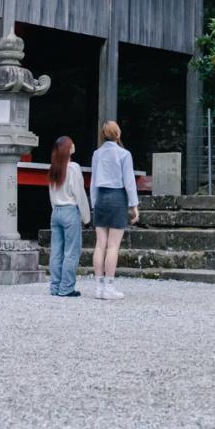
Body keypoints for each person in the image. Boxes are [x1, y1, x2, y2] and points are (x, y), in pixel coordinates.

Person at [88, 120, 139, 300]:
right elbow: (129, 182)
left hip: (101, 197)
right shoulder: (124, 154)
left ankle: (98, 286)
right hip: (117, 197)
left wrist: (93, 204)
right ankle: (109, 286)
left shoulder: (97, 154)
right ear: (118, 133)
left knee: (100, 243)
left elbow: (93, 181)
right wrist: (134, 205)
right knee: (113, 245)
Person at [45, 135, 90, 298]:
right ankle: (66, 288)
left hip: (56, 211)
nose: (73, 145)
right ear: (67, 149)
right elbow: (79, 193)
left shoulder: (54, 168)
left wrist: (55, 210)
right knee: (71, 251)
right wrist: (86, 217)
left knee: (56, 251)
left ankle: (55, 286)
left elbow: (51, 193)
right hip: (70, 211)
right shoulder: (73, 168)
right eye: (71, 144)